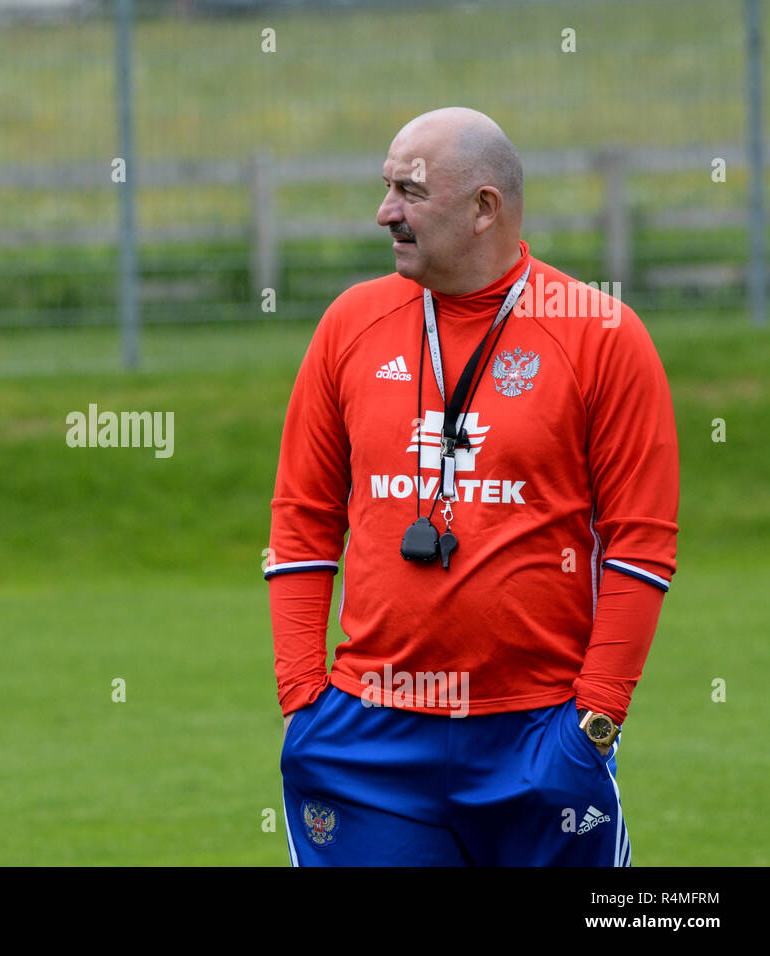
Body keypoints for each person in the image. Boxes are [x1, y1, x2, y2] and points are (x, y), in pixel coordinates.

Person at [266, 107, 678, 866]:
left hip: (536, 736)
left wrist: (596, 722)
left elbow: (640, 547)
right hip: (367, 735)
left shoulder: (601, 335)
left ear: (485, 208)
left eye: (409, 191)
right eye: (386, 188)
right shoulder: (348, 325)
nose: (384, 212)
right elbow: (301, 522)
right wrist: (302, 702)